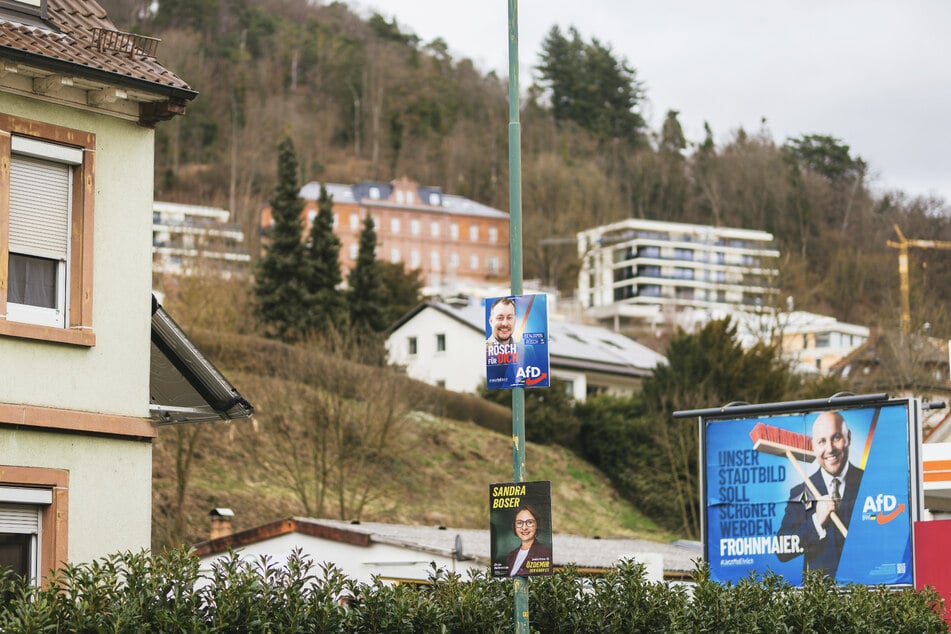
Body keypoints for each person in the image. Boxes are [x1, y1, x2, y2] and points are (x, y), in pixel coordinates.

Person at [775, 410, 864, 579]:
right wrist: (817, 522)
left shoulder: (869, 482)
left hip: (864, 586)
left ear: (848, 438)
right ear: (813, 446)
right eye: (822, 441)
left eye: (836, 437)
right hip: (821, 592)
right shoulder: (801, 492)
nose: (830, 449)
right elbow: (781, 549)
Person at [505, 505, 553, 576]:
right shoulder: (510, 556)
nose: (524, 528)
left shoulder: (545, 554)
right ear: (514, 526)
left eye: (529, 522)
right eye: (519, 523)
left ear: (537, 525)